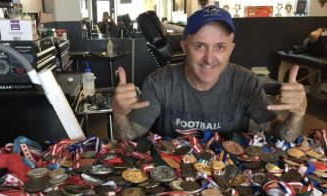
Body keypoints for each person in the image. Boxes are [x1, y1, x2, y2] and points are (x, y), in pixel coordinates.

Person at [112, 6, 307, 142]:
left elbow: (282, 137)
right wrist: (120, 114)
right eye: (199, 46)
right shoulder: (159, 82)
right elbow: (129, 136)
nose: (209, 58)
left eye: (220, 47)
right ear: (184, 47)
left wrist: (297, 114)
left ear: (231, 49)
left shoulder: (246, 82)